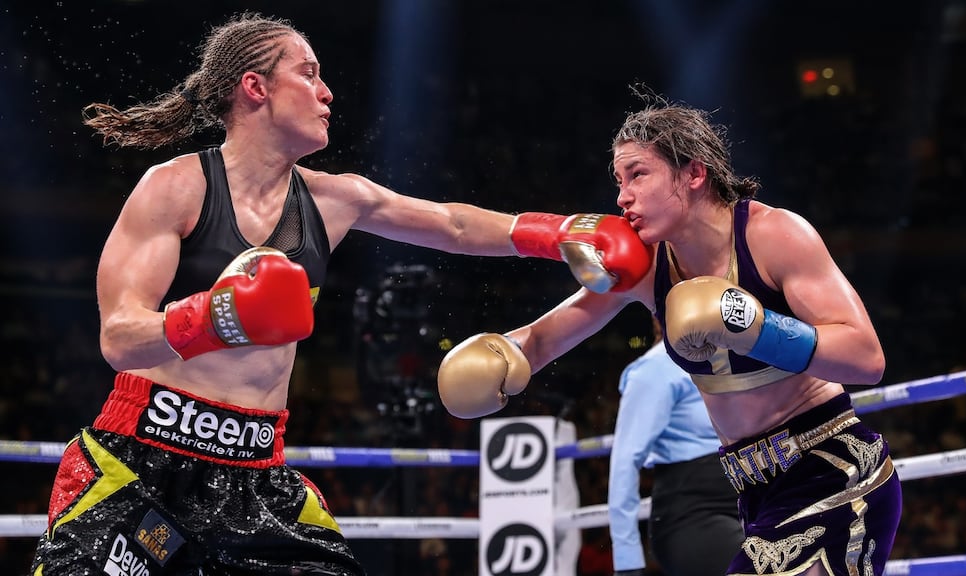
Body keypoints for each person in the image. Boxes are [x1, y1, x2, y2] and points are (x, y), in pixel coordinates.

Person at [30, 12, 652, 576]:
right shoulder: (174, 187)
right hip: (140, 466)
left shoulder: (335, 200)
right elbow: (118, 337)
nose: (327, 93)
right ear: (256, 87)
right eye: (308, 74)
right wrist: (218, 316)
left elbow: (455, 225)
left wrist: (561, 231)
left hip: (257, 479)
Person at [438, 92, 903, 576]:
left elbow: (866, 358)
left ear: (693, 173)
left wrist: (754, 328)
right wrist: (504, 351)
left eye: (638, 174)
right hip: (753, 490)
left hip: (833, 469)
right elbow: (543, 339)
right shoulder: (646, 266)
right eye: (619, 180)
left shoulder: (774, 236)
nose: (622, 196)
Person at [609, 316, 742, 576]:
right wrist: (627, 558)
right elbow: (625, 460)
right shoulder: (654, 369)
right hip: (693, 513)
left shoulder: (736, 352)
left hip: (750, 497)